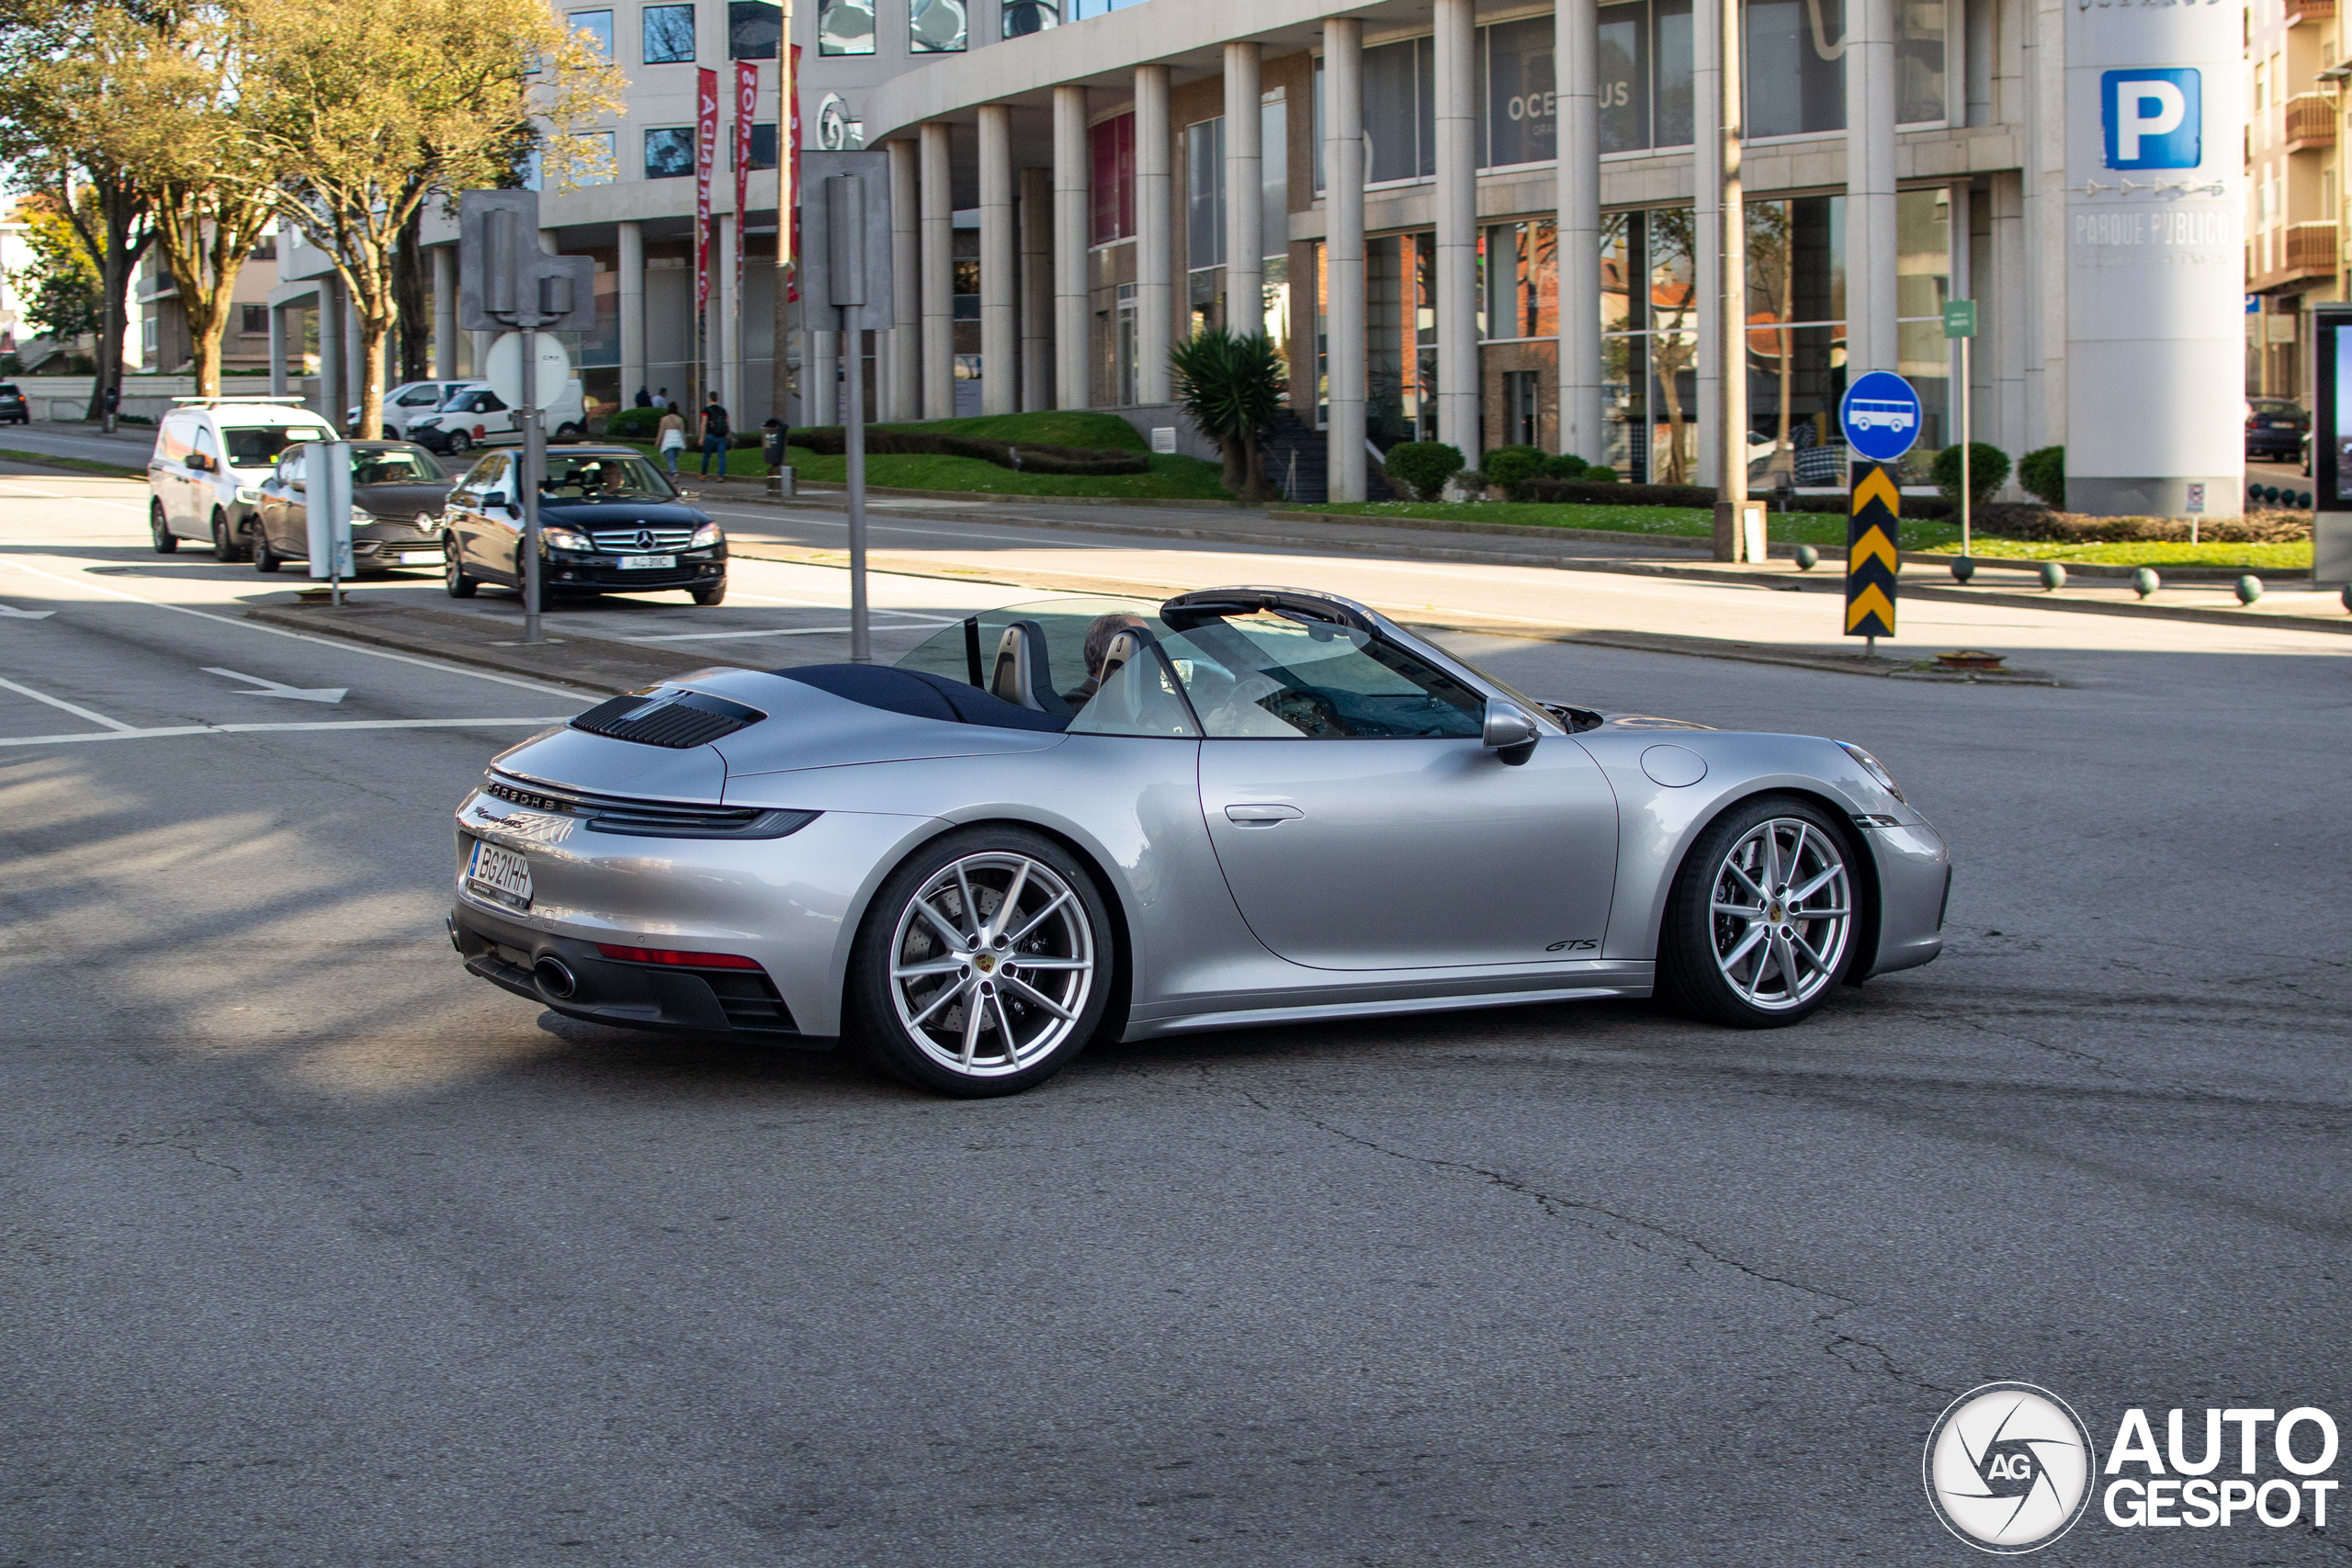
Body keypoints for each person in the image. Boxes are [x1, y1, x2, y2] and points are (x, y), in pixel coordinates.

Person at [698, 395, 730, 477]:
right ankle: (720, 476)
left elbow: (704, 423)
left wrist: (701, 438)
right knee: (722, 456)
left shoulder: (706, 410)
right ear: (717, 399)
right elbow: (727, 423)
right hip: (722, 436)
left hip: (711, 435)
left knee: (706, 456)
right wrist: (727, 434)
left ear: (709, 399)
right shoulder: (723, 410)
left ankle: (703, 474)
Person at [656, 406, 686, 475]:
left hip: (669, 441)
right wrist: (684, 442)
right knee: (673, 458)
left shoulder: (664, 419)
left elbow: (661, 432)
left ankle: (674, 472)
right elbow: (682, 432)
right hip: (677, 441)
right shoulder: (680, 419)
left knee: (670, 458)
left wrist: (657, 442)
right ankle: (671, 474)